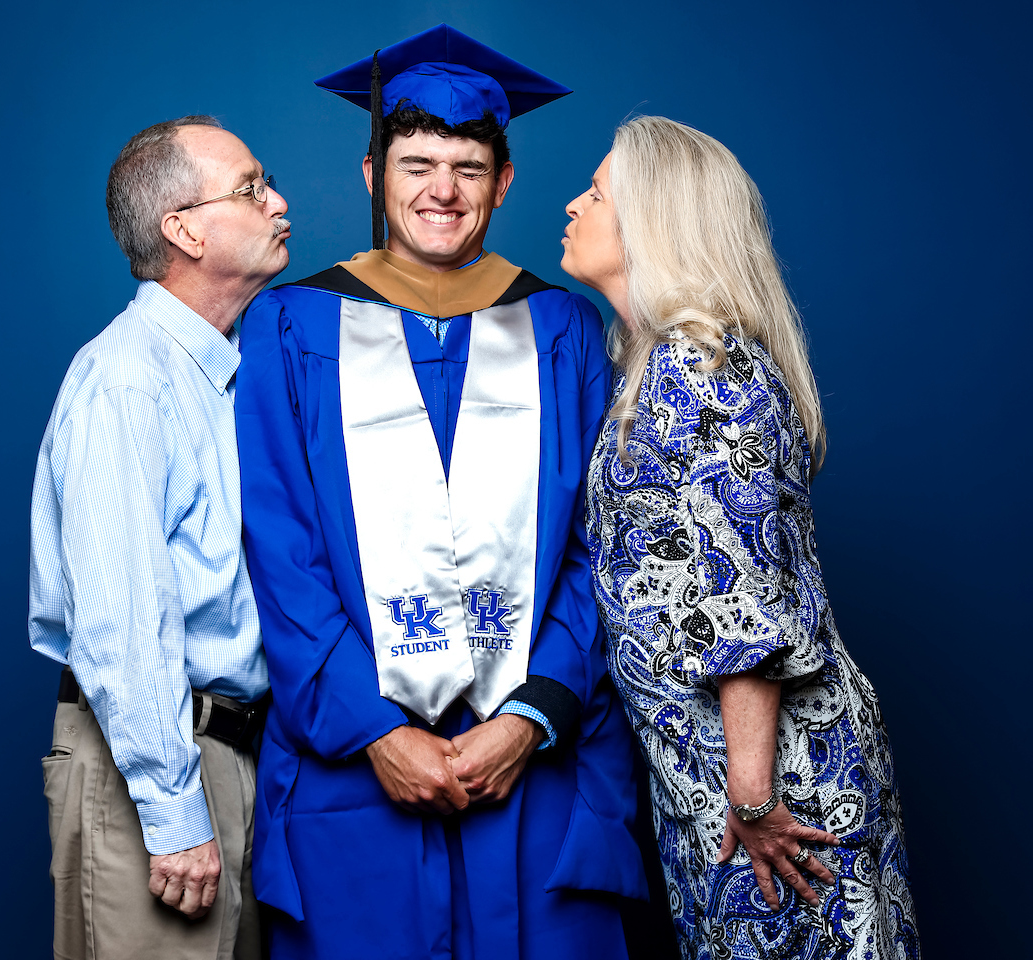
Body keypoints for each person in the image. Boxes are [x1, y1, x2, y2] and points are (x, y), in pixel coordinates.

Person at [236, 24, 647, 960]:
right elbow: (281, 550)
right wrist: (374, 729)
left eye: (467, 166)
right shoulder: (294, 325)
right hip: (356, 761)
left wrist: (533, 712)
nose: (442, 191)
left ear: (502, 182)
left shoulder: (563, 328)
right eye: (416, 162)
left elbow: (604, 545)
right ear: (373, 171)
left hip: (535, 763)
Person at [562, 115, 921, 960]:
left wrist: (754, 802)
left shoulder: (702, 374)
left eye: (598, 193)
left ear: (653, 223)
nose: (575, 206)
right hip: (722, 782)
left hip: (776, 794)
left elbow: (743, 608)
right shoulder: (655, 365)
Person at [28, 115, 291, 960]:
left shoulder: (227, 368)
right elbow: (122, 618)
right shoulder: (127, 383)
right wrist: (174, 813)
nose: (279, 202)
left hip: (239, 756)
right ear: (184, 229)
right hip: (155, 764)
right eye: (251, 189)